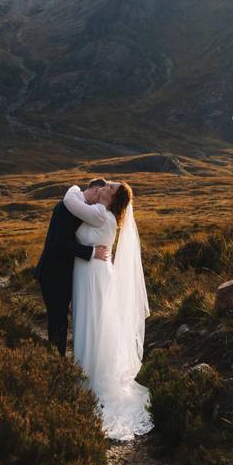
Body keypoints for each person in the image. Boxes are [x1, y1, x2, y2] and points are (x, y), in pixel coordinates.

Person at [62, 180, 153, 441]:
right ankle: (87, 372)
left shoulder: (101, 214)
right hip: (94, 273)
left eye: (111, 187)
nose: (106, 184)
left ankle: (89, 379)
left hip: (92, 276)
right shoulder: (107, 216)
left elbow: (70, 201)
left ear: (113, 199)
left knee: (91, 323)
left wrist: (74, 188)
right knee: (93, 324)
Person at [34, 179, 111, 357]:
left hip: (67, 275)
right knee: (58, 320)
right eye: (98, 195)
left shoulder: (79, 207)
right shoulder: (68, 207)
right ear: (93, 189)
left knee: (62, 320)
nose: (98, 200)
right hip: (54, 274)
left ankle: (60, 362)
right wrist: (92, 252)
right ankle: (56, 365)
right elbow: (60, 242)